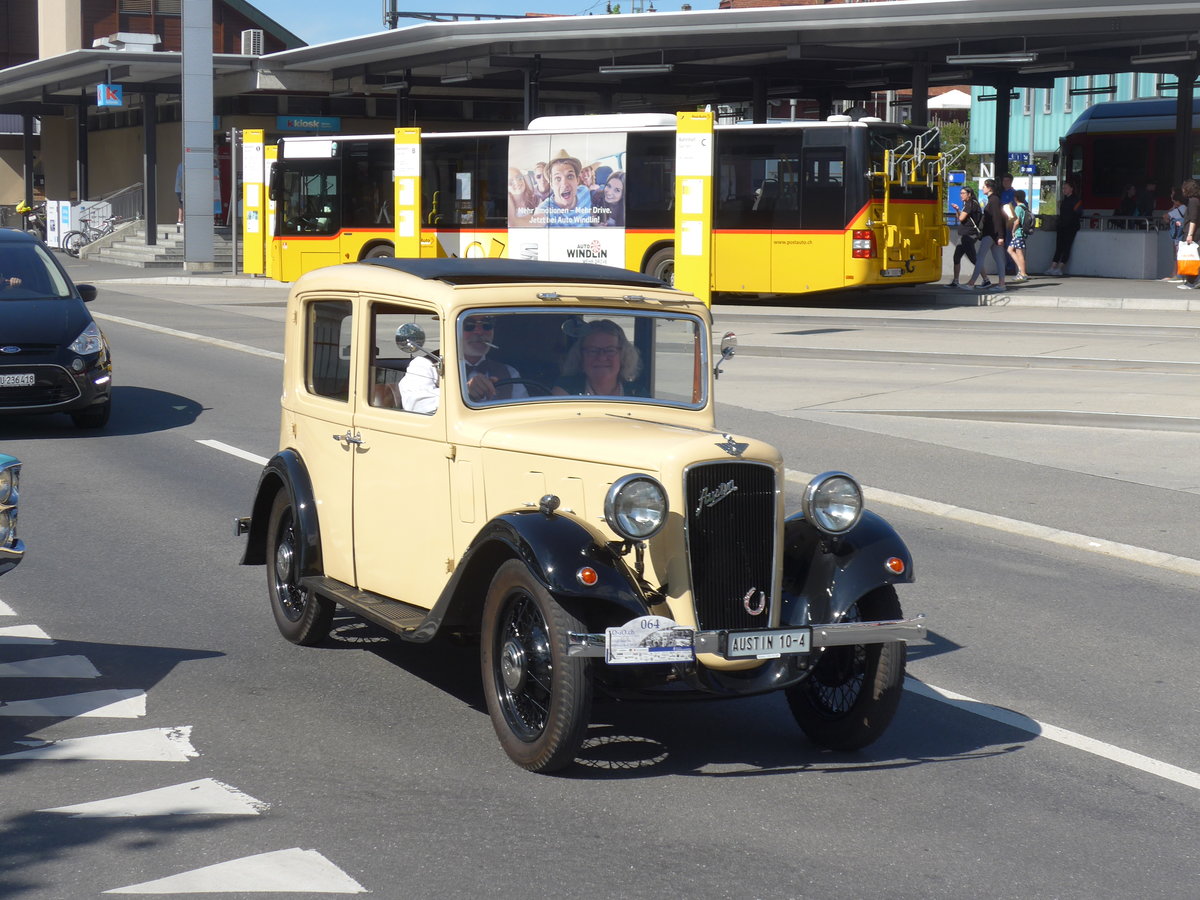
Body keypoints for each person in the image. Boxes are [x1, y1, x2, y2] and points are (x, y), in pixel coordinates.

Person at [397, 314, 528, 412]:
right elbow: (415, 405)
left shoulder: (508, 372)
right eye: (468, 325)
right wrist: (465, 393)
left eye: (486, 324)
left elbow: (524, 412)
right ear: (450, 329)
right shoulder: (425, 365)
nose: (479, 331)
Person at [552, 319, 644, 397]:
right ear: (580, 356)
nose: (602, 358)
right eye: (593, 350)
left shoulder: (637, 394)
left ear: (623, 355)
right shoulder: (565, 392)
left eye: (610, 350)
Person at [958, 178, 1008, 293]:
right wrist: (1000, 236)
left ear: (989, 188)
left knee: (980, 257)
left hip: (991, 234)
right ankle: (1001, 284)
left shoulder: (993, 200)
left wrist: (1000, 236)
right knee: (999, 259)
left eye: (984, 187)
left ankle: (971, 283)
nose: (982, 188)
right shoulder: (994, 199)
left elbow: (997, 219)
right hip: (994, 235)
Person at [532, 150, 596, 227]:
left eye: (570, 176)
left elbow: (588, 211)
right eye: (558, 178)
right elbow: (534, 222)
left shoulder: (584, 192)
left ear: (577, 180)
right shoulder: (545, 209)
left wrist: (595, 223)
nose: (564, 184)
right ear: (551, 185)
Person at [948, 186, 990, 288]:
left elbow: (961, 218)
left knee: (973, 258)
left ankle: (986, 279)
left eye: (963, 193)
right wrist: (957, 210)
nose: (961, 195)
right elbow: (960, 218)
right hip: (964, 235)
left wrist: (959, 212)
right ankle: (955, 280)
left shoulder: (970, 204)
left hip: (968, 235)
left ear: (969, 194)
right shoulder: (969, 204)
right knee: (957, 257)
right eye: (960, 193)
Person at [1047, 181, 1082, 276]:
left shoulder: (1076, 200)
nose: (1064, 190)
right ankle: (1052, 267)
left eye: (1066, 188)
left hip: (1071, 227)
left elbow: (1078, 213)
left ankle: (1059, 268)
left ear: (1071, 189)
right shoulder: (1064, 200)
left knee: (1067, 247)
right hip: (1062, 226)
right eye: (1063, 188)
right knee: (1059, 247)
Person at [1177, 179, 1200, 290]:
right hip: (1195, 232)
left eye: (1184, 187)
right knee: (1195, 257)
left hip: (1193, 233)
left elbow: (1193, 219)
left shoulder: (1193, 201)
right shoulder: (1197, 200)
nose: (1182, 190)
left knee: (1190, 257)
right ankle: (1193, 281)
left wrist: (1190, 234)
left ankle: (1191, 282)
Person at [1007, 189, 1032, 281]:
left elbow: (1016, 221)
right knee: (1010, 250)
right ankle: (1021, 270)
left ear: (1015, 198)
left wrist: (1012, 230)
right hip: (1021, 233)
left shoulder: (1018, 208)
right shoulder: (1025, 207)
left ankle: (1023, 273)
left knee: (1019, 253)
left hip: (1018, 233)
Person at [1164, 188, 1187, 282]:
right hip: (1182, 233)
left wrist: (1173, 207)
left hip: (1178, 234)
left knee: (1178, 254)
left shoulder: (1180, 209)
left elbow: (1165, 217)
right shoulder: (1186, 207)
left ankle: (1177, 274)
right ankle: (1177, 274)